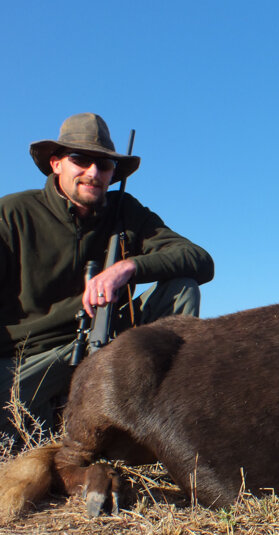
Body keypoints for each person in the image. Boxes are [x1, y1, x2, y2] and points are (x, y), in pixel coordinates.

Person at [0, 113, 214, 441]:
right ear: (56, 163)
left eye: (104, 164)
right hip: (34, 358)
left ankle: (166, 420)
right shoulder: (12, 214)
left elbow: (200, 260)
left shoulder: (125, 211)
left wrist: (128, 268)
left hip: (110, 349)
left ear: (113, 172)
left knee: (182, 288)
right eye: (80, 160)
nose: (93, 173)